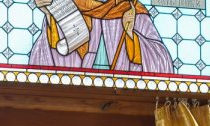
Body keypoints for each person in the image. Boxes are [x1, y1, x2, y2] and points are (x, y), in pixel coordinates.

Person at [29, 0, 173, 73]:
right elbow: (52, 54)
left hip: (123, 95)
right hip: (77, 95)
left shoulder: (132, 9)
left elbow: (162, 61)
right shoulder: (68, 7)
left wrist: (131, 35)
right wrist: (50, 14)